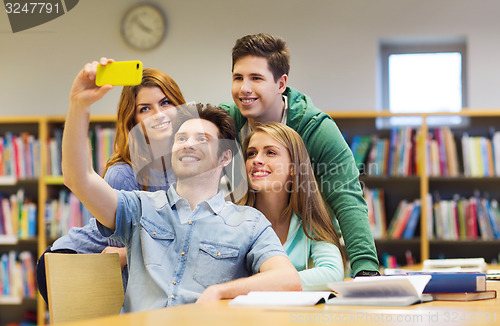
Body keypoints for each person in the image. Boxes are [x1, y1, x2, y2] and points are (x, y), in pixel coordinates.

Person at [61, 58, 302, 312]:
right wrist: (79, 105)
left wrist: (220, 292)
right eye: (182, 138)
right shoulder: (138, 208)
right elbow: (78, 178)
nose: (188, 144)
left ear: (224, 156)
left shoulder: (249, 223)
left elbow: (288, 281)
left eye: (202, 139)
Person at [220, 33, 379, 277]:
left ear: (281, 84)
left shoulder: (317, 129)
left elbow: (346, 197)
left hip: (305, 244)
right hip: (248, 238)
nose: (244, 89)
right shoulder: (225, 122)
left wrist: (366, 269)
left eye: (256, 78)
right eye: (238, 77)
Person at [36, 66, 186, 304]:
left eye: (166, 102)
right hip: (77, 261)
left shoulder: (187, 166)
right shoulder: (123, 174)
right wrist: (133, 252)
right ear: (133, 119)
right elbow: (118, 257)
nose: (158, 114)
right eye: (145, 109)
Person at [240, 122, 345, 290]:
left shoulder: (310, 220)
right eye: (251, 153)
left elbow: (332, 274)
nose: (257, 160)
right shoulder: (232, 219)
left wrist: (256, 285)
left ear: (293, 167)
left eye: (271, 153)